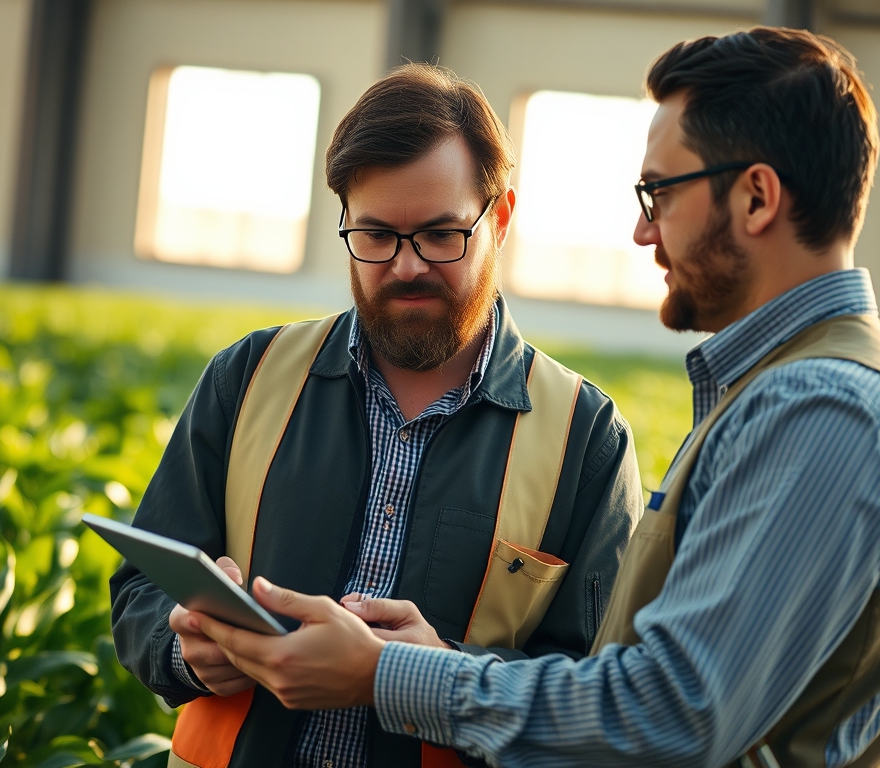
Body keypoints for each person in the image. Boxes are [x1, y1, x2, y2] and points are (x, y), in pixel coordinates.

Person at [192, 27, 880, 768]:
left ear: (757, 198)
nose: (639, 231)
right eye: (376, 235)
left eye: (659, 192)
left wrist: (387, 676)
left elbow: (670, 715)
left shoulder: (827, 413)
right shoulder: (791, 393)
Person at [109, 63, 642, 768]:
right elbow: (140, 589)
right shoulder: (249, 376)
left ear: (501, 217)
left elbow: (603, 696)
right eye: (376, 235)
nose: (406, 266)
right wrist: (183, 646)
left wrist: (436, 675)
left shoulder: (586, 437)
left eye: (440, 235)